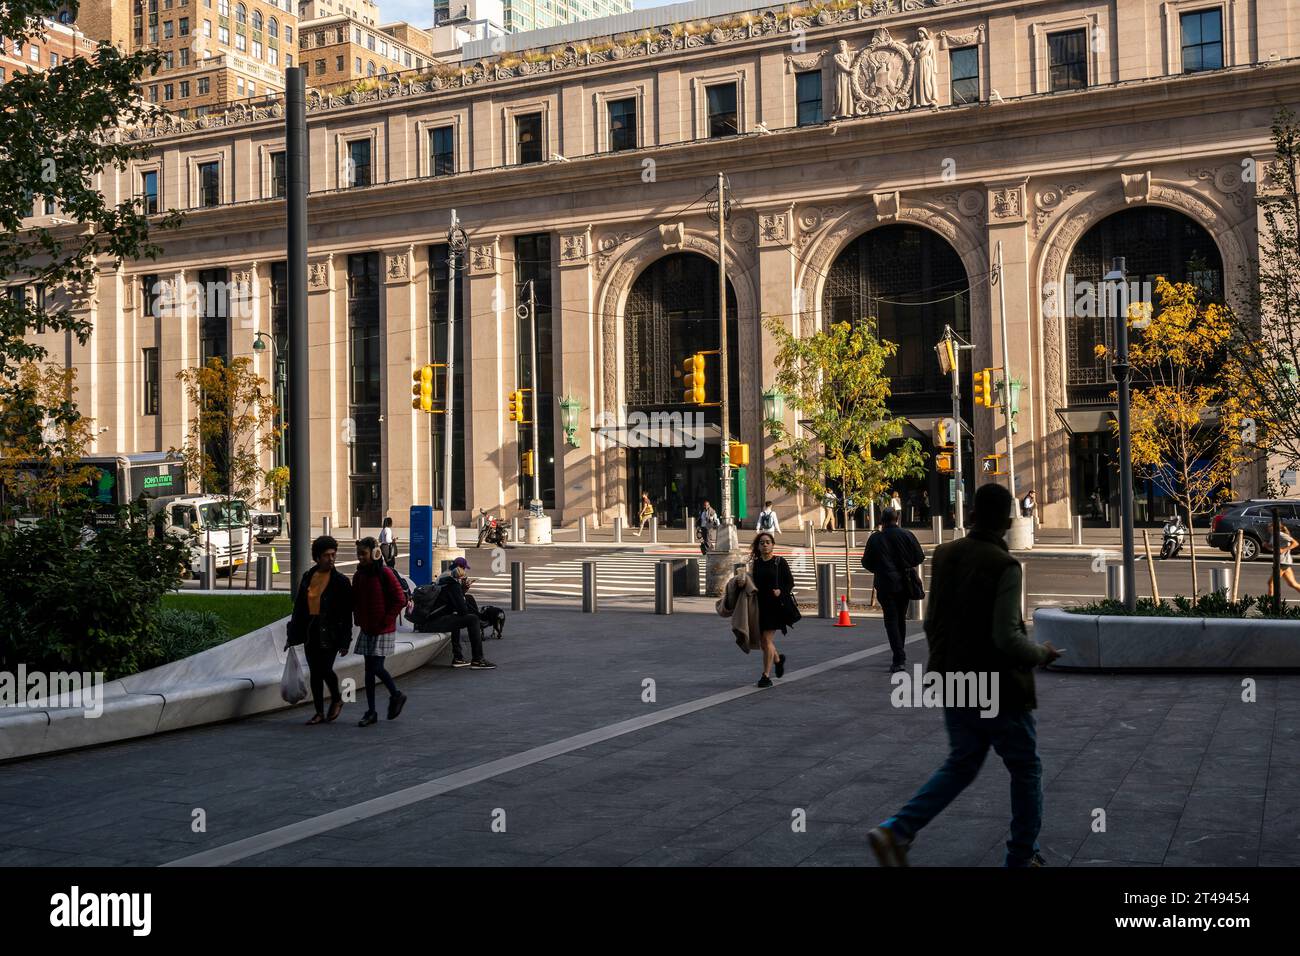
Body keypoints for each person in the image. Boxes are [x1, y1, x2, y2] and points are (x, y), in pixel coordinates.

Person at [867, 484, 1063, 868]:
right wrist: (1042, 654)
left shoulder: (946, 553)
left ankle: (898, 829)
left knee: (961, 763)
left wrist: (938, 667)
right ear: (1007, 522)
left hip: (954, 677)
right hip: (999, 686)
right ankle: (1022, 855)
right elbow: (1007, 637)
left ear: (972, 515)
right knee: (1025, 768)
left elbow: (934, 619)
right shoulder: (1004, 565)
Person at [285, 535, 353, 725]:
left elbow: (347, 615)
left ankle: (337, 698)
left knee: (324, 669)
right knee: (315, 672)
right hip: (311, 632)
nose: (331, 559)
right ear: (317, 557)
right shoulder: (309, 577)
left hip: (330, 633)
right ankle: (319, 712)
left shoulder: (340, 582)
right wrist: (292, 635)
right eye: (326, 555)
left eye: (333, 554)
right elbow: (299, 609)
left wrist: (344, 641)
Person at [351, 536, 409, 727]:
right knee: (369, 671)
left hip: (383, 629)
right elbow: (356, 599)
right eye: (358, 553)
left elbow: (399, 600)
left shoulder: (384, 573)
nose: (360, 557)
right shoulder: (359, 575)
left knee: (375, 667)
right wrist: (358, 617)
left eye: (364, 553)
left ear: (375, 553)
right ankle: (371, 711)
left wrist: (385, 620)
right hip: (368, 628)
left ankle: (396, 694)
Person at [862, 508, 925, 673]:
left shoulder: (875, 538)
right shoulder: (907, 535)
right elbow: (919, 557)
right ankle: (900, 654)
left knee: (891, 620)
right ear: (897, 519)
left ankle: (899, 657)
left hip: (885, 583)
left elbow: (866, 562)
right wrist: (906, 564)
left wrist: (880, 568)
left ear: (882, 520)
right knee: (900, 619)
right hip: (904, 583)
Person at [426, 557, 497, 669]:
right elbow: (462, 610)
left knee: (459, 614)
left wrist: (462, 591)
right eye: (464, 569)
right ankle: (478, 659)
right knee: (472, 619)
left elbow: (451, 603)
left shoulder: (445, 578)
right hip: (434, 622)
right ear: (460, 570)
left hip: (430, 619)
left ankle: (458, 657)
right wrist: (461, 589)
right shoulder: (452, 584)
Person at [748, 532, 794, 688]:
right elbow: (752, 583)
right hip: (759, 606)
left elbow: (789, 582)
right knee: (763, 642)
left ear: (773, 545)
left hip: (775, 606)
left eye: (768, 542)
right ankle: (778, 660)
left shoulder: (779, 562)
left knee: (767, 640)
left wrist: (781, 591)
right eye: (762, 543)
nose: (765, 545)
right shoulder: (756, 563)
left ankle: (766, 676)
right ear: (758, 546)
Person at [1268, 526, 1300, 602]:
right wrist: (1266, 545)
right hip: (1282, 561)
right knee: (1292, 583)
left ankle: (1270, 604)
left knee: (1271, 583)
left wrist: (1283, 550)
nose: (1268, 528)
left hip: (1283, 562)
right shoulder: (1273, 535)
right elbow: (1274, 548)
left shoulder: (1281, 534)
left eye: (1269, 526)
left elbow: (1295, 543)